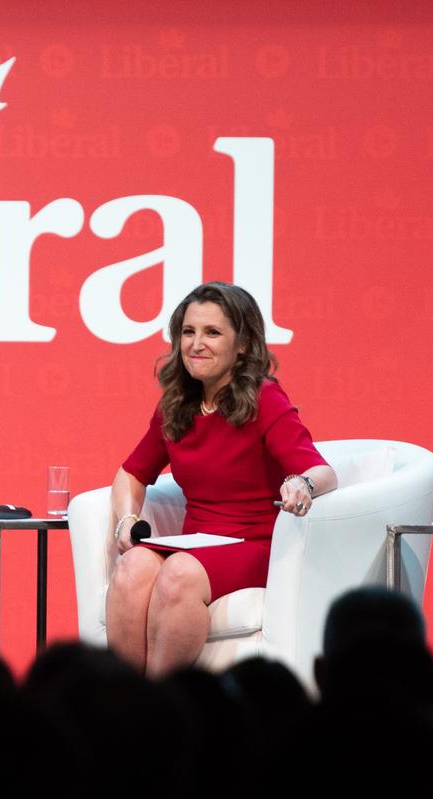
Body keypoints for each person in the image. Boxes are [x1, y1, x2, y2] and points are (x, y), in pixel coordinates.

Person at [107, 282, 337, 677]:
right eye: (188, 332)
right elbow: (132, 472)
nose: (197, 344)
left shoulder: (265, 398)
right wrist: (127, 520)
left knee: (178, 572)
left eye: (212, 333)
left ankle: (164, 705)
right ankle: (125, 698)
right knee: (133, 567)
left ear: (243, 344)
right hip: (194, 543)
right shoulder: (177, 405)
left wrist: (303, 484)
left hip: (253, 544)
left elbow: (322, 471)